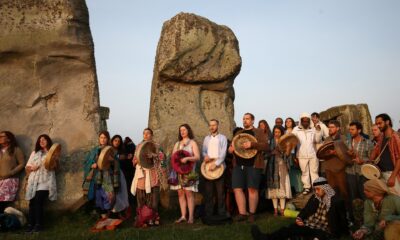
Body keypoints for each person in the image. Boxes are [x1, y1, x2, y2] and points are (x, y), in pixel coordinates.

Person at [251, 177, 348, 240]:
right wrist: (299, 218)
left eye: (318, 189)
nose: (316, 192)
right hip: (309, 224)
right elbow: (306, 210)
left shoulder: (336, 201)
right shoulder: (315, 197)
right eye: (315, 189)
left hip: (322, 229)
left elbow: (342, 219)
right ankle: (265, 237)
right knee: (287, 230)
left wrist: (345, 232)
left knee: (307, 235)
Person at [229, 113, 269, 222]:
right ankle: (242, 213)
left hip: (254, 164)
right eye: (243, 119)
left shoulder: (259, 132)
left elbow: (266, 146)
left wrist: (252, 145)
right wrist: (230, 150)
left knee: (252, 189)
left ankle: (252, 213)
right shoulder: (238, 133)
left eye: (247, 119)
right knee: (237, 189)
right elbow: (232, 146)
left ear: (252, 121)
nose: (245, 121)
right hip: (238, 164)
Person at [83, 131, 124, 222]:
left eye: (105, 138)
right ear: (99, 139)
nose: (103, 139)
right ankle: (103, 216)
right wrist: (92, 164)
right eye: (101, 137)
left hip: (107, 177)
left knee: (110, 196)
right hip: (96, 177)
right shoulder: (94, 150)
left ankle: (109, 214)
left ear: (108, 139)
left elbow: (117, 163)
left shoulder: (111, 150)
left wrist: (112, 160)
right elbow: (86, 162)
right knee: (98, 196)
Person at [131, 128, 167, 227]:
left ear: (152, 135)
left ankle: (152, 218)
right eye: (144, 133)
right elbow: (134, 159)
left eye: (148, 133)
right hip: (141, 174)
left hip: (153, 173)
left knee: (153, 196)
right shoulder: (138, 146)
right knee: (141, 196)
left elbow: (163, 158)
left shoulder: (157, 146)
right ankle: (142, 218)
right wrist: (137, 160)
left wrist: (154, 155)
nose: (146, 135)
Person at [25, 134, 57, 232]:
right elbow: (27, 167)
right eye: (40, 140)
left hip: (45, 180)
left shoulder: (53, 153)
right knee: (32, 202)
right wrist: (32, 168)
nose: (42, 141)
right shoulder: (34, 153)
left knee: (38, 201)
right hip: (34, 180)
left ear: (48, 141)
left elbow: (56, 168)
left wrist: (53, 162)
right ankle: (30, 225)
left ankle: (38, 225)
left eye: (44, 140)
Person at [170, 124, 200, 224]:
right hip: (178, 171)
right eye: (180, 130)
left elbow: (197, 157)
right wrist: (180, 150)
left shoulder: (192, 143)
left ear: (188, 131)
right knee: (180, 194)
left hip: (189, 172)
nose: (182, 132)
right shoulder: (177, 144)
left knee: (189, 194)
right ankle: (183, 216)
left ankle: (191, 217)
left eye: (184, 130)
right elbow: (173, 157)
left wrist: (187, 158)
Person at [201, 119, 228, 218]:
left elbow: (223, 153)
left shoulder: (223, 138)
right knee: (208, 193)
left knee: (220, 193)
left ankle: (221, 213)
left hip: (219, 168)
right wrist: (205, 156)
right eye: (210, 125)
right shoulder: (206, 139)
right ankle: (209, 213)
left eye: (214, 125)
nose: (212, 127)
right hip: (208, 169)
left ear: (217, 125)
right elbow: (203, 151)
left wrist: (216, 164)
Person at [292, 113, 322, 195]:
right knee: (304, 172)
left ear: (309, 121)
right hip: (301, 154)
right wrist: (294, 155)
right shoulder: (295, 129)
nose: (305, 122)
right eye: (303, 121)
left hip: (313, 154)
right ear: (301, 121)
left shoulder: (313, 129)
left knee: (314, 172)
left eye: (307, 121)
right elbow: (292, 141)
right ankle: (307, 187)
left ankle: (316, 188)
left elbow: (317, 140)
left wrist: (318, 131)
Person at [345, 122, 373, 211]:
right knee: (352, 197)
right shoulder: (347, 143)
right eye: (349, 129)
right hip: (350, 173)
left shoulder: (368, 143)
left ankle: (367, 218)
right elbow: (344, 158)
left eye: (352, 129)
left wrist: (362, 161)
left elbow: (372, 160)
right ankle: (355, 220)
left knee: (365, 196)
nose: (350, 131)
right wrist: (348, 156)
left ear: (359, 130)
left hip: (363, 174)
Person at [370, 113, 400, 196]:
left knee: (396, 200)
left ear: (387, 122)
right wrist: (370, 161)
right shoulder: (382, 136)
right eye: (377, 124)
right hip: (382, 173)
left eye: (380, 123)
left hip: (392, 174)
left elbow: (399, 158)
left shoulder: (395, 137)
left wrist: (393, 176)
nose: (378, 126)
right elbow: (376, 150)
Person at [266, 125, 292, 216]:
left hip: (282, 166)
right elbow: (265, 154)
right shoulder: (270, 141)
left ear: (281, 132)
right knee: (273, 188)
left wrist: (282, 152)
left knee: (282, 187)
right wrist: (271, 152)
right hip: (272, 166)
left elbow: (288, 155)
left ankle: (282, 209)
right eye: (275, 132)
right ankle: (275, 210)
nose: (276, 134)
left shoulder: (285, 141)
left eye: (278, 132)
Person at [0, 131, 25, 213]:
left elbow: (22, 163)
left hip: (10, 180)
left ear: (9, 139)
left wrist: (11, 172)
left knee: (1, 202)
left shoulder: (15, 150)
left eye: (2, 136)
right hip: (0, 180)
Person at [110, 135, 130, 218]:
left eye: (118, 141)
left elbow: (124, 160)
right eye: (115, 140)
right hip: (109, 174)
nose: (117, 142)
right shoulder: (109, 150)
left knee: (121, 193)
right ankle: (112, 212)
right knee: (112, 194)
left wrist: (126, 157)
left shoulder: (122, 151)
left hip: (119, 174)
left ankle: (120, 211)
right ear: (112, 141)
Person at [285, 117, 303, 194]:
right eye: (286, 121)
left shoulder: (296, 131)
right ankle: (290, 190)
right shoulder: (283, 131)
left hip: (295, 153)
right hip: (286, 153)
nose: (288, 123)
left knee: (298, 171)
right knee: (288, 171)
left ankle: (299, 189)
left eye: (289, 121)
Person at [123, 137, 136, 207]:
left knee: (127, 186)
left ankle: (129, 202)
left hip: (126, 169)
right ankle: (132, 202)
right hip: (132, 168)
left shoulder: (125, 146)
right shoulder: (133, 145)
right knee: (132, 185)